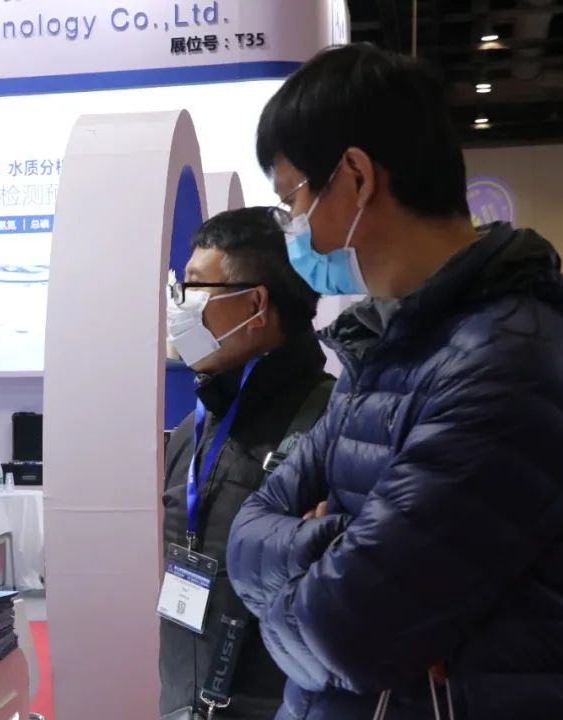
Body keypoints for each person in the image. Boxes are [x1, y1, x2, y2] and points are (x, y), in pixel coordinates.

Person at [226, 44, 563, 720]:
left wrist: (302, 566)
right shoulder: (387, 342)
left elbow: (350, 631)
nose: (291, 227)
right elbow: (245, 535)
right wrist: (331, 544)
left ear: (355, 177)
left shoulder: (511, 362)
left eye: (291, 199)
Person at [160, 208, 334, 719]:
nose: (178, 306)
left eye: (194, 288)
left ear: (255, 304)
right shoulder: (195, 428)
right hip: (182, 699)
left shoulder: (332, 426)